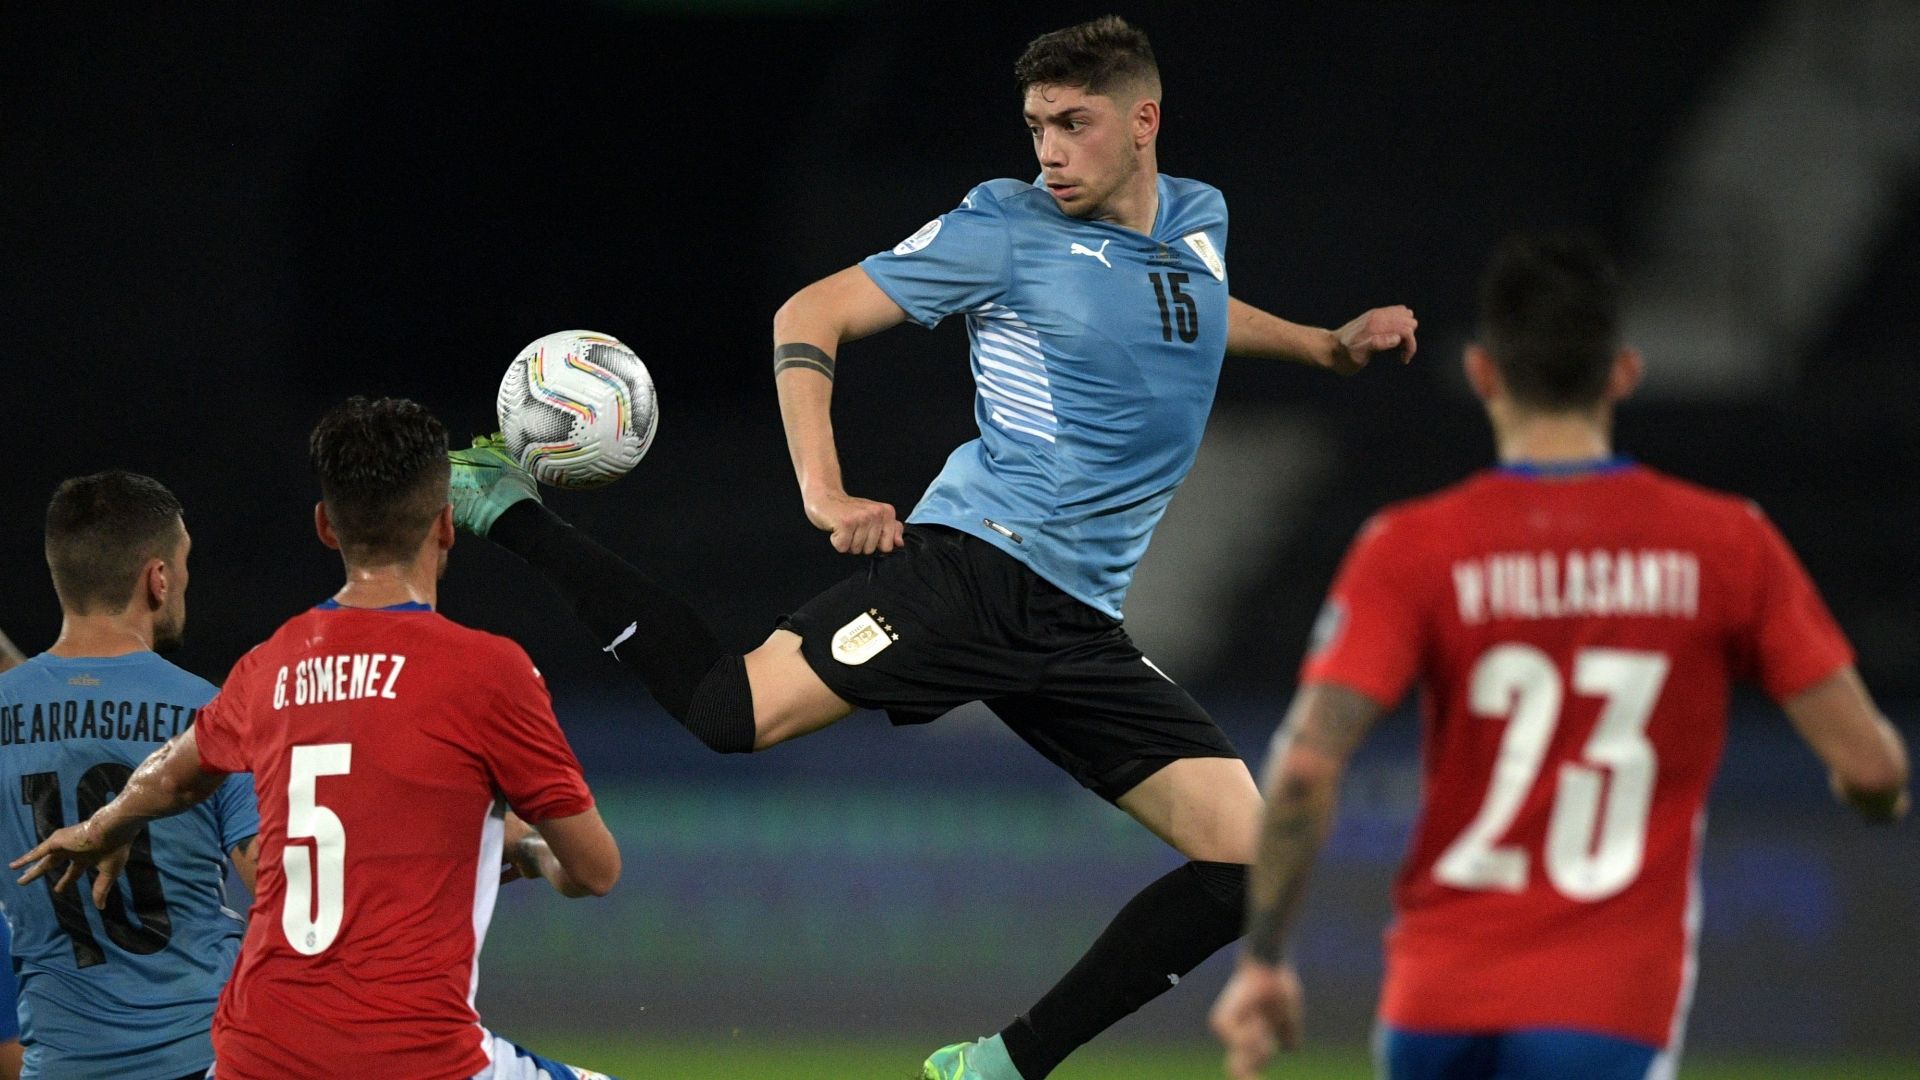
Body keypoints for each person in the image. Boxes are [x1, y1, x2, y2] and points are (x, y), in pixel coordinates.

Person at [448, 15, 1415, 1080]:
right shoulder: (1000, 227)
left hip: (1077, 618)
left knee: (1249, 862)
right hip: (975, 569)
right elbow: (809, 313)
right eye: (1036, 126)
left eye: (1074, 124)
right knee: (731, 713)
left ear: (1144, 121)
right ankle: (510, 512)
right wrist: (824, 491)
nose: (1049, 151)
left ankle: (993, 1068)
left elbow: (1190, 308)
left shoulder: (1198, 219)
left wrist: (1324, 346)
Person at [1208, 233, 1912, 1080]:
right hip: (1605, 1009)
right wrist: (1877, 799)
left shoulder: (1411, 546)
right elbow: (1870, 765)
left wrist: (1265, 959)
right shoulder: (1728, 544)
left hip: (1436, 1006)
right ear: (1623, 373)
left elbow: (1302, 770)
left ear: (1482, 373)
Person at [13, 398, 623, 1080]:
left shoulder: (268, 665)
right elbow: (595, 870)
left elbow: (172, 777)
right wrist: (532, 851)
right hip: (413, 1059)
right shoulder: (489, 671)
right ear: (447, 524)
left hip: (252, 1058)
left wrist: (104, 825)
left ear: (325, 526)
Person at [0, 472, 260, 1080]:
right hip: (201, 1053)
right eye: (184, 563)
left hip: (59, 1061)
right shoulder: (210, 714)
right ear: (158, 578)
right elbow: (280, 889)